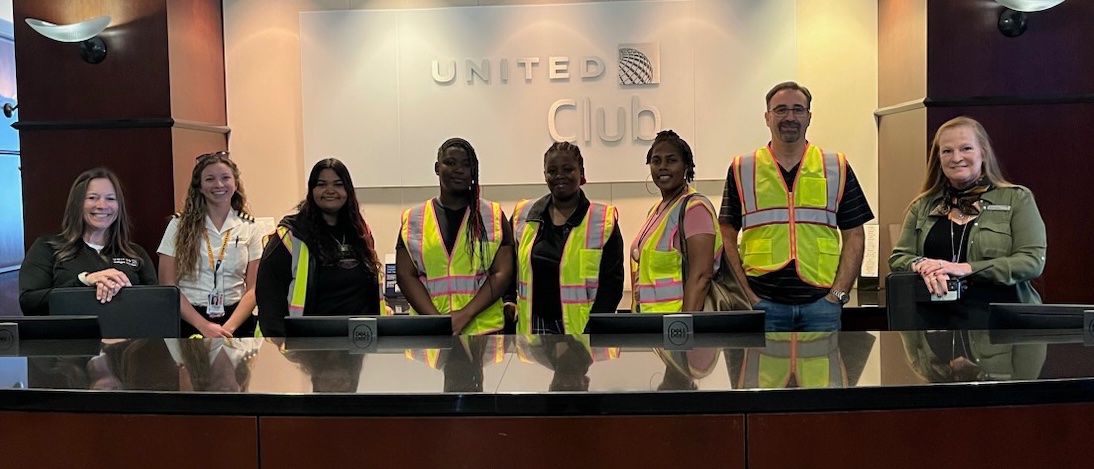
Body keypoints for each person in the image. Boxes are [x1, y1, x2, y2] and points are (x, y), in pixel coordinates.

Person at [719, 81, 873, 331]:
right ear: (767, 117)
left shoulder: (836, 166)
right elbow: (725, 235)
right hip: (762, 304)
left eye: (798, 109)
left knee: (821, 371)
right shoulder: (742, 169)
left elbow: (854, 234)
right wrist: (747, 296)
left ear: (809, 117)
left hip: (822, 306)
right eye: (780, 110)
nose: (789, 117)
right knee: (761, 372)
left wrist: (838, 295)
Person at [889, 116, 1047, 325]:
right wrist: (920, 264)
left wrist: (965, 268)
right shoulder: (922, 206)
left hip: (1001, 329)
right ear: (938, 158)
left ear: (983, 152)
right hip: (934, 327)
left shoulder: (1017, 199)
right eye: (947, 151)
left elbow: (1032, 262)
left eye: (966, 148)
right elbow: (899, 257)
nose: (956, 158)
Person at [395, 137, 514, 335]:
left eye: (466, 165)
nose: (458, 170)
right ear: (436, 167)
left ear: (474, 170)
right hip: (429, 332)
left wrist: (465, 314)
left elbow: (502, 274)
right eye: (450, 163)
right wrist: (437, 322)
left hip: (483, 333)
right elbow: (406, 275)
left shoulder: (492, 215)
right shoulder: (415, 218)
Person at [256, 158, 384, 337]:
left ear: (348, 190)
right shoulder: (290, 235)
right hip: (308, 346)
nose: (330, 191)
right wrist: (281, 344)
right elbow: (269, 297)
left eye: (338, 184)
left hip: (358, 343)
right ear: (311, 190)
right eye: (321, 184)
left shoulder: (360, 233)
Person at [510, 142, 624, 334]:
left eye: (568, 169)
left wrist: (596, 328)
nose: (560, 176)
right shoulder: (524, 214)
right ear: (544, 174)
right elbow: (510, 265)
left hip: (583, 330)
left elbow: (611, 285)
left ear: (581, 172)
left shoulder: (603, 220)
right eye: (552, 170)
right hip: (533, 329)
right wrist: (508, 300)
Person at [19, 168, 157, 315]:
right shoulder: (47, 247)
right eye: (92, 198)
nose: (102, 205)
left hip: (128, 336)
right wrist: (84, 281)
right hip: (70, 337)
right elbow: (29, 303)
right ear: (77, 203)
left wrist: (130, 296)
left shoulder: (136, 254)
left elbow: (156, 305)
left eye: (110, 198)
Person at [157, 152, 263, 338]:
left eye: (225, 178)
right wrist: (204, 326)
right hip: (190, 320)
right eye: (210, 179)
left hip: (237, 322)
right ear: (199, 186)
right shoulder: (178, 225)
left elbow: (254, 288)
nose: (219, 185)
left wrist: (227, 329)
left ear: (235, 184)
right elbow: (168, 284)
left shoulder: (250, 227)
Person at [631, 130, 723, 313]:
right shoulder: (656, 210)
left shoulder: (695, 208)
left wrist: (684, 328)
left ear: (686, 166)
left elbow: (701, 276)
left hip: (676, 326)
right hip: (652, 324)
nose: (663, 167)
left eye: (671, 160)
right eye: (656, 161)